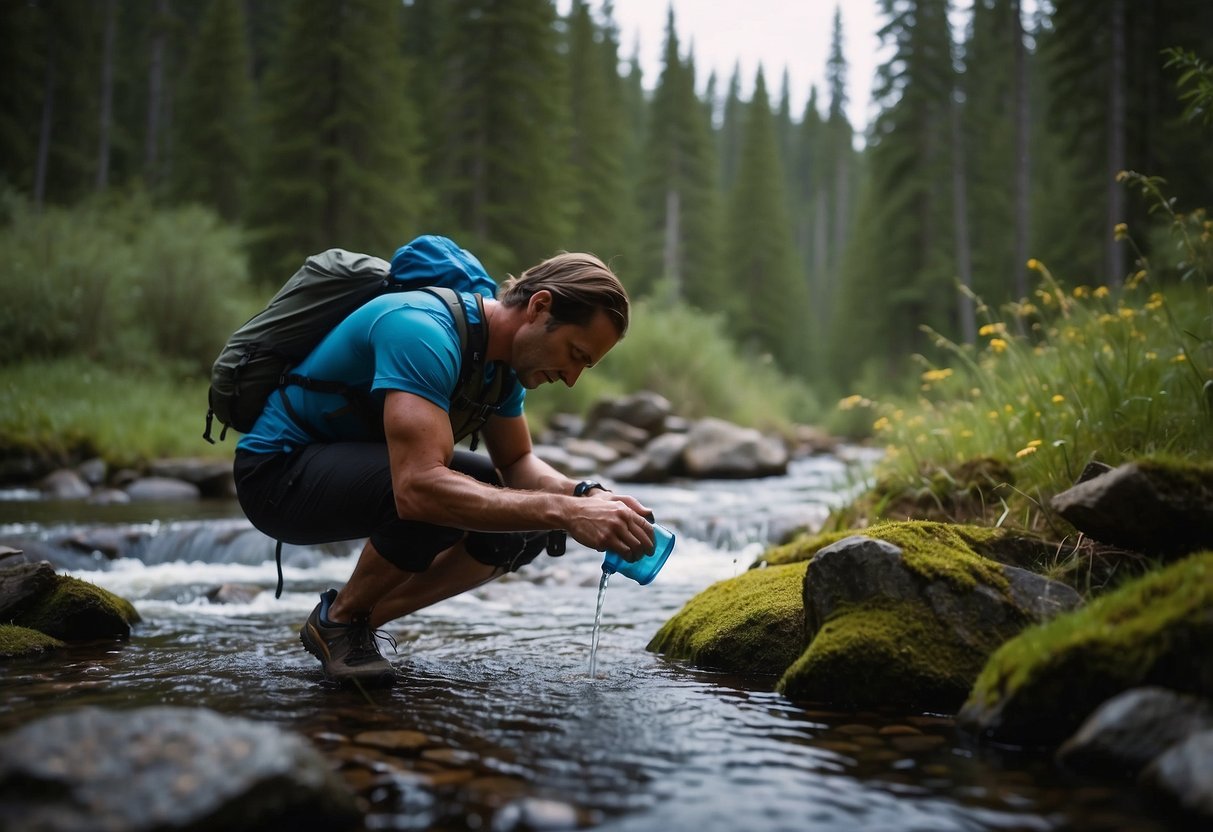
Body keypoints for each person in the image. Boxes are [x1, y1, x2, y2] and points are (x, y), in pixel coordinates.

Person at [232, 245, 654, 684]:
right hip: (276, 474)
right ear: (540, 306)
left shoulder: (501, 367)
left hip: (346, 472)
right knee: (442, 498)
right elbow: (419, 490)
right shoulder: (421, 330)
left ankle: (350, 624)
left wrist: (587, 496)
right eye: (575, 353)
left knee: (521, 526)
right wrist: (566, 513)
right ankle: (341, 620)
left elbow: (517, 461)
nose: (571, 378)